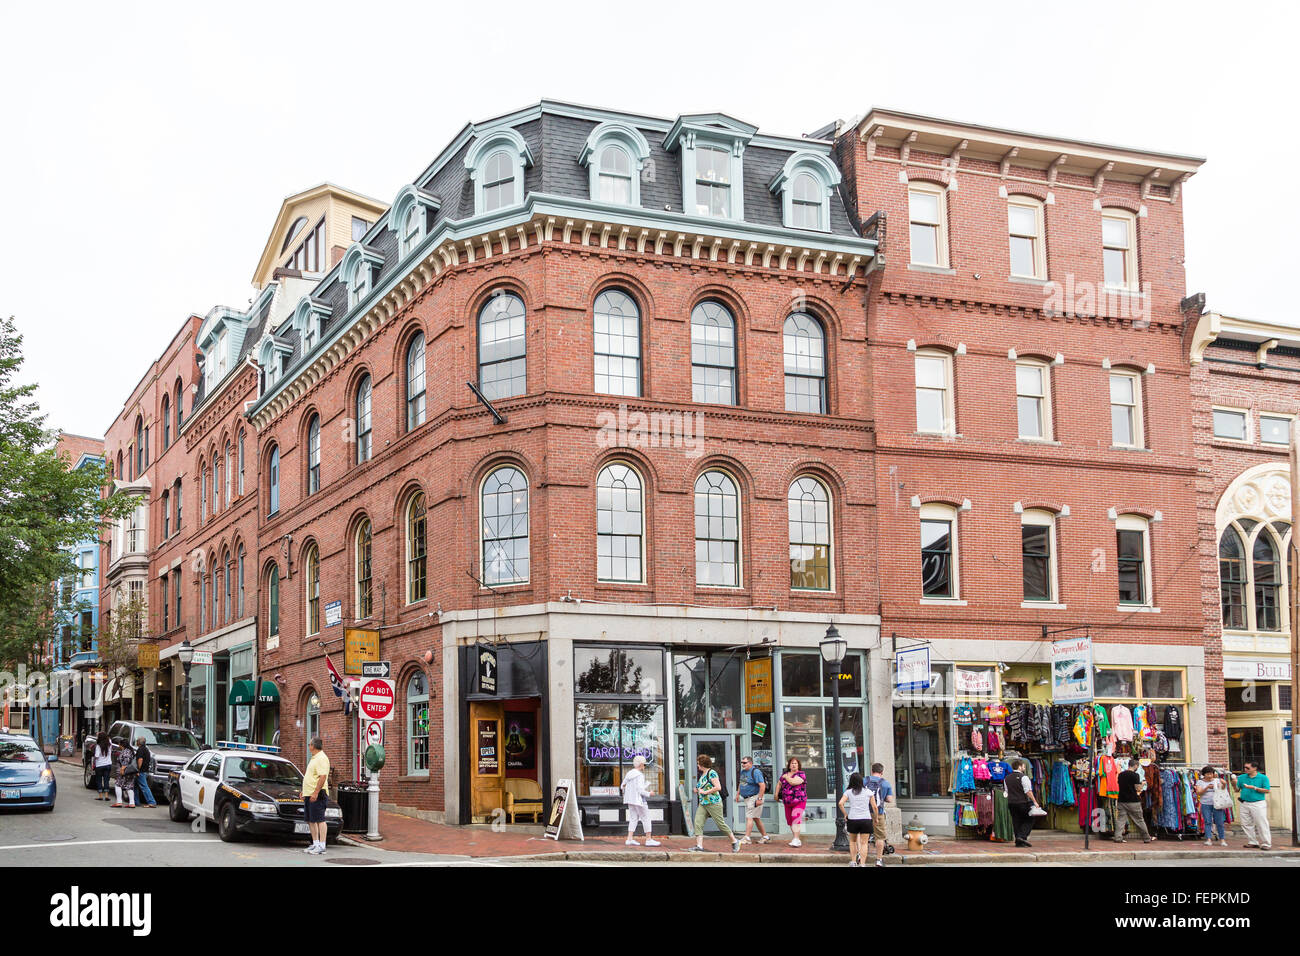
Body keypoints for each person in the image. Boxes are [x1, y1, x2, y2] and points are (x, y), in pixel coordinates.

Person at [689, 754, 741, 853]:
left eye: (698, 763)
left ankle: (734, 841)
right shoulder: (703, 774)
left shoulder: (712, 773)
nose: (697, 765)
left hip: (713, 803)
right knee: (698, 822)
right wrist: (697, 790)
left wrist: (705, 792)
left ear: (702, 764)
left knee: (720, 824)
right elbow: (704, 786)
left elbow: (718, 787)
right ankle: (699, 846)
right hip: (703, 803)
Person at [838, 771, 883, 867]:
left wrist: (845, 814)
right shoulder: (868, 792)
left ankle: (854, 862)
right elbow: (875, 807)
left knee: (853, 841)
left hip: (853, 819)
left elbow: (840, 803)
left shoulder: (848, 792)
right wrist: (875, 818)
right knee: (864, 843)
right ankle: (862, 863)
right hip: (866, 819)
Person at [1114, 757, 1155, 843]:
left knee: (1121, 820)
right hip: (1133, 801)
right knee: (1139, 820)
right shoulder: (1135, 775)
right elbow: (1138, 789)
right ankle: (1147, 838)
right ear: (1135, 766)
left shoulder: (1121, 775)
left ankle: (1118, 837)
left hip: (1122, 800)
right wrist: (1142, 784)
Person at [621, 754, 659, 846]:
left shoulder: (629, 773)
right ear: (641, 764)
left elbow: (622, 786)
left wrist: (630, 790)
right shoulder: (639, 776)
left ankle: (629, 839)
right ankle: (649, 839)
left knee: (633, 818)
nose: (644, 766)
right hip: (639, 800)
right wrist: (649, 793)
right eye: (644, 764)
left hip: (630, 800)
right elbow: (640, 790)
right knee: (646, 818)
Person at [302, 736, 331, 855]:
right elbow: (311, 776)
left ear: (313, 746)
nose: (309, 746)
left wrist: (315, 792)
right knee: (311, 820)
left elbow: (322, 776)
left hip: (318, 793)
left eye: (309, 744)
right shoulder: (314, 758)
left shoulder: (322, 758)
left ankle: (322, 845)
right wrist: (304, 791)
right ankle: (315, 843)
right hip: (309, 793)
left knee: (320, 819)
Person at [1005, 758, 1042, 847]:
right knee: (1030, 819)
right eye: (1024, 766)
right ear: (1020, 767)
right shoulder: (1024, 777)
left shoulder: (1006, 778)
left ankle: (1018, 840)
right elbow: (1028, 791)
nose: (1024, 768)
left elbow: (1006, 791)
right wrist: (1035, 801)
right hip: (1022, 802)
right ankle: (1022, 836)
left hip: (1011, 802)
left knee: (1016, 820)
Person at [1235, 761, 1272, 851]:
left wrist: (1254, 788)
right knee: (1246, 823)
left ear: (1255, 768)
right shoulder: (1242, 777)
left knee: (1261, 823)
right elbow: (1237, 789)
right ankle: (1252, 842)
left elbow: (1267, 790)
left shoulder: (1263, 778)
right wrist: (1233, 783)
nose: (1245, 769)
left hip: (1258, 803)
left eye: (1248, 768)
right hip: (1244, 802)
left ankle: (1266, 843)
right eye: (1245, 767)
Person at [734, 755, 770, 844]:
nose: (742, 764)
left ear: (750, 763)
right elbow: (741, 783)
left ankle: (747, 838)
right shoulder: (743, 772)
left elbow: (762, 785)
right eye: (742, 763)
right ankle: (765, 836)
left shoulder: (756, 772)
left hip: (754, 797)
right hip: (747, 798)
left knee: (749, 817)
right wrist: (738, 794)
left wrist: (759, 798)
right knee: (756, 818)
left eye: (744, 763)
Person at [774, 757, 808, 847]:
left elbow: (793, 782)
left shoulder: (801, 774)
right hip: (787, 802)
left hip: (799, 801)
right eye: (792, 763)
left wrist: (786, 777)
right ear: (789, 765)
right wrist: (776, 794)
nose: (793, 765)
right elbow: (779, 783)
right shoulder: (785, 774)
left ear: (798, 765)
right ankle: (796, 838)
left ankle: (796, 839)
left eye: (795, 763)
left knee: (796, 819)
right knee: (790, 821)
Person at [1194, 766, 1228, 847]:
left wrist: (1224, 784)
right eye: (1207, 774)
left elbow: (1222, 789)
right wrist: (1207, 787)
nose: (1209, 776)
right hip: (1205, 804)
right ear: (1204, 774)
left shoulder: (1217, 780)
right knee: (1207, 821)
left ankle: (1222, 839)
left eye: (1211, 774)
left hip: (1217, 804)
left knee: (1219, 822)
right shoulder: (1200, 782)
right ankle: (1208, 839)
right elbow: (1199, 792)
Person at [864, 762, 894, 849]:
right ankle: (879, 859)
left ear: (872, 771)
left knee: (863, 835)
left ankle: (860, 855)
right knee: (880, 837)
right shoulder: (885, 783)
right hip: (878, 812)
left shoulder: (864, 781)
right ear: (882, 772)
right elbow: (889, 799)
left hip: (864, 812)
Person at [111, 737, 136, 808]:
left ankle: (119, 802)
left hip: (124, 771)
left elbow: (126, 761)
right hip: (130, 772)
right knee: (129, 786)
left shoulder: (126, 751)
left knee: (118, 785)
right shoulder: (130, 751)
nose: (118, 745)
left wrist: (122, 769)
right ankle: (132, 803)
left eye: (119, 744)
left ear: (122, 745)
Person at [133, 736, 158, 808]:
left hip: (141, 771)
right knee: (135, 786)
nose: (136, 742)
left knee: (144, 787)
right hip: (145, 770)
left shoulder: (140, 749)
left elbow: (140, 760)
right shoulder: (146, 749)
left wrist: (137, 769)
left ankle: (151, 802)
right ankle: (136, 801)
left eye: (137, 741)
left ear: (139, 742)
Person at [92, 732, 113, 801]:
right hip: (108, 764)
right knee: (106, 780)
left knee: (99, 780)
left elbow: (97, 756)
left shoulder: (98, 746)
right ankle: (106, 795)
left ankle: (100, 796)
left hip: (100, 765)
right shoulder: (109, 744)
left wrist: (94, 758)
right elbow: (109, 740)